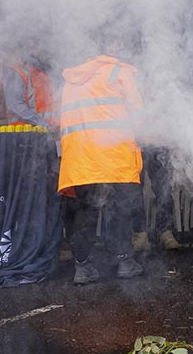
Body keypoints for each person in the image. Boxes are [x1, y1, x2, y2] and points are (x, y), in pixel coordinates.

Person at [58, 51, 146, 284]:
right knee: (120, 209)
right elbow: (139, 113)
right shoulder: (119, 72)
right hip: (114, 156)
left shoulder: (72, 80)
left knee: (83, 212)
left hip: (80, 159)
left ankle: (82, 267)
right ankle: (124, 261)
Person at [0, 56, 57, 128]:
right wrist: (45, 125)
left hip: (48, 130)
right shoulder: (17, 71)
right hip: (24, 132)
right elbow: (16, 107)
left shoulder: (45, 72)